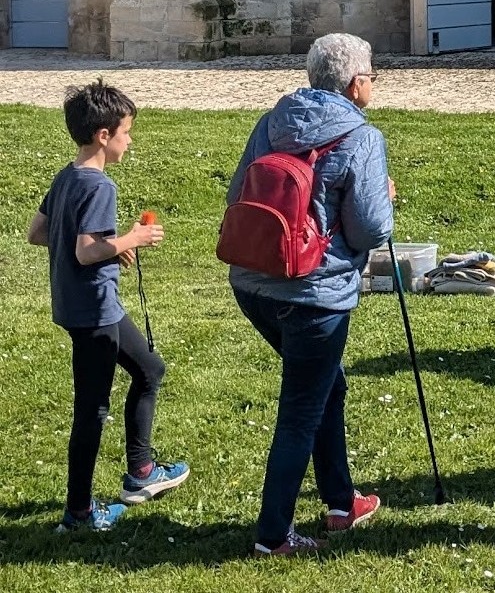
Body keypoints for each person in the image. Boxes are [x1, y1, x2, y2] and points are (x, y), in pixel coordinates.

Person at [229, 33, 394, 556]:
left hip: (253, 282)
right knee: (302, 407)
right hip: (315, 295)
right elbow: (369, 231)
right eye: (371, 77)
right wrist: (383, 199)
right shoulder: (362, 138)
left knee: (326, 387)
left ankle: (342, 502)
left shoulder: (271, 122)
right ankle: (273, 536)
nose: (372, 86)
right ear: (353, 83)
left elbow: (239, 195)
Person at [26, 81, 189, 532]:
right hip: (93, 310)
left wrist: (110, 246)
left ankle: (141, 474)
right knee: (92, 409)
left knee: (149, 370)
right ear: (103, 135)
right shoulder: (98, 186)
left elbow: (37, 232)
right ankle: (78, 513)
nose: (129, 139)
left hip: (92, 305)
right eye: (126, 131)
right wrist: (131, 238)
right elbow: (83, 251)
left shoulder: (67, 175)